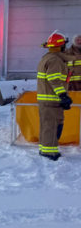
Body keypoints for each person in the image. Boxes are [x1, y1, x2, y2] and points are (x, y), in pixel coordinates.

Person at [36, 31, 72, 161]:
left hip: (48, 100)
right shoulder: (55, 60)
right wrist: (63, 95)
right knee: (52, 126)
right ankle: (49, 153)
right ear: (61, 46)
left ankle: (46, 149)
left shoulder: (48, 58)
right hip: (51, 100)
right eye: (64, 45)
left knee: (48, 126)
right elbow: (54, 79)